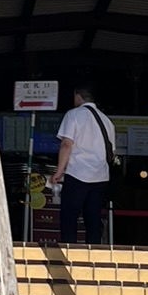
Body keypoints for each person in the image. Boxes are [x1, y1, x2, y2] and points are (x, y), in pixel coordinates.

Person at [53, 85, 115, 246]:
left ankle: (69, 250)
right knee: (93, 218)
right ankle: (93, 251)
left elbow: (66, 144)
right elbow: (112, 152)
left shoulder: (73, 115)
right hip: (100, 176)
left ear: (78, 96)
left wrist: (59, 172)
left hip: (77, 173)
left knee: (69, 216)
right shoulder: (106, 120)